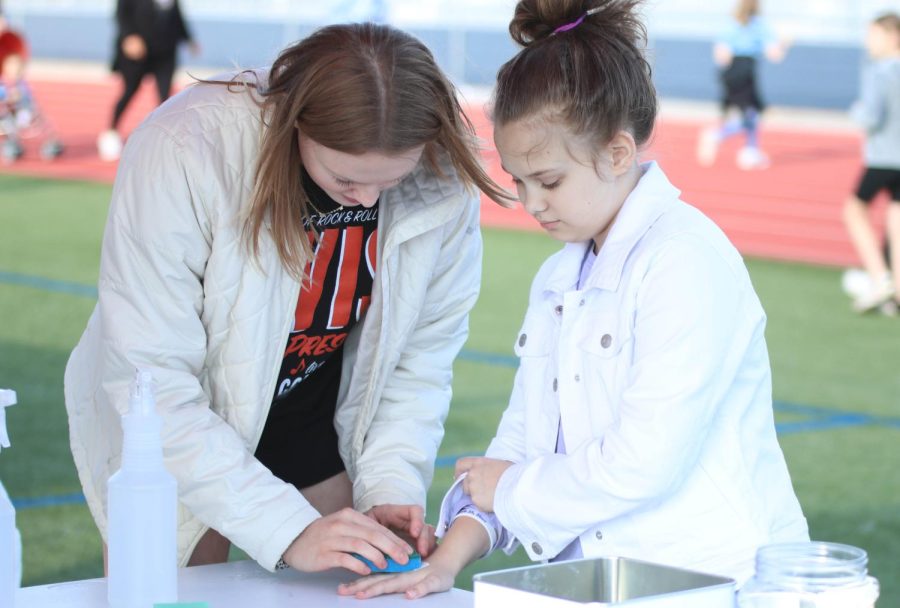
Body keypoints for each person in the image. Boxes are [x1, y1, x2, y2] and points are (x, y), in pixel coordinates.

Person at [338, 0, 809, 599]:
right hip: (606, 583)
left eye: (550, 180)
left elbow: (640, 463)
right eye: (518, 181)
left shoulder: (685, 260)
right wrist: (445, 560)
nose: (532, 204)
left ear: (617, 153)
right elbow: (520, 443)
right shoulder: (559, 277)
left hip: (720, 585)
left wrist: (507, 488)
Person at [65, 22, 511, 576]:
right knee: (167, 590)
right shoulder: (185, 150)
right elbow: (152, 385)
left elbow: (416, 364)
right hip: (181, 444)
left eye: (392, 181)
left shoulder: (442, 179)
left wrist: (392, 483)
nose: (368, 199)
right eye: (348, 181)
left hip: (318, 435)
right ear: (295, 123)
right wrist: (287, 528)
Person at [841, 12, 900, 315]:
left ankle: (880, 279)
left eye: (874, 35)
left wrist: (857, 111)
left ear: (893, 37)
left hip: (883, 158)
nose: (869, 42)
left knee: (853, 211)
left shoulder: (880, 71)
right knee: (896, 220)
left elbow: (872, 117)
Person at [97, 0, 199, 161]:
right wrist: (129, 37)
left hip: (165, 53)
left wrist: (189, 40)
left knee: (165, 99)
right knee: (130, 91)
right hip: (137, 52)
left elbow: (177, 17)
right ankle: (111, 132)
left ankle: (162, 140)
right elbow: (122, 14)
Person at [696, 0, 789, 170]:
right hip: (746, 71)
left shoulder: (730, 25)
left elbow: (720, 57)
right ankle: (719, 136)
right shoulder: (760, 26)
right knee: (751, 115)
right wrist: (784, 43)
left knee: (750, 113)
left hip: (730, 73)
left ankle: (750, 151)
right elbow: (775, 55)